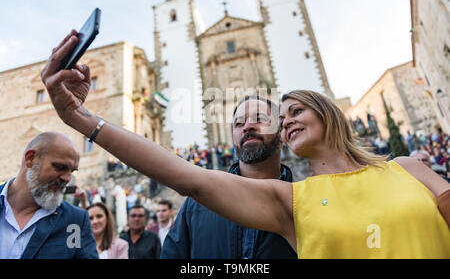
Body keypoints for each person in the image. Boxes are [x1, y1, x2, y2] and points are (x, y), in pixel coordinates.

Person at [40, 31, 450, 258]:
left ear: (327, 112)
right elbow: (185, 177)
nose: (284, 120)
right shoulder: (292, 200)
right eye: (281, 115)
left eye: (291, 111)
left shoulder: (408, 169)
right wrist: (78, 117)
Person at [162, 96, 296, 259]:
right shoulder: (198, 202)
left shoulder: (300, 202)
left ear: (281, 131)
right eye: (239, 123)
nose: (247, 126)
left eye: (259, 119)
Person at [0, 131, 98, 259]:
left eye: (72, 171)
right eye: (60, 167)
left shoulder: (75, 222)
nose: (67, 178)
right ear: (30, 158)